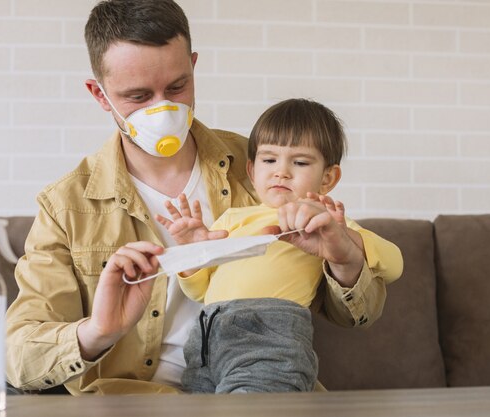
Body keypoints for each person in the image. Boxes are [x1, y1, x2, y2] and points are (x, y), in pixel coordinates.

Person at [5, 0, 395, 395]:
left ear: (193, 66)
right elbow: (18, 357)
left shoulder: (266, 169)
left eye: (177, 87)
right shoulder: (65, 206)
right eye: (138, 97)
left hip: (261, 384)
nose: (163, 110)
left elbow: (357, 315)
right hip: (133, 402)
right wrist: (98, 331)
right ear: (100, 94)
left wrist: (345, 257)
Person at [155, 98, 403, 393]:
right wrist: (193, 253)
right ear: (251, 170)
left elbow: (395, 262)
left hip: (269, 335)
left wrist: (346, 242)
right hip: (206, 342)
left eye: (299, 162)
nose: (281, 172)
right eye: (269, 160)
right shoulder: (232, 219)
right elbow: (200, 291)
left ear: (328, 178)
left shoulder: (323, 222)